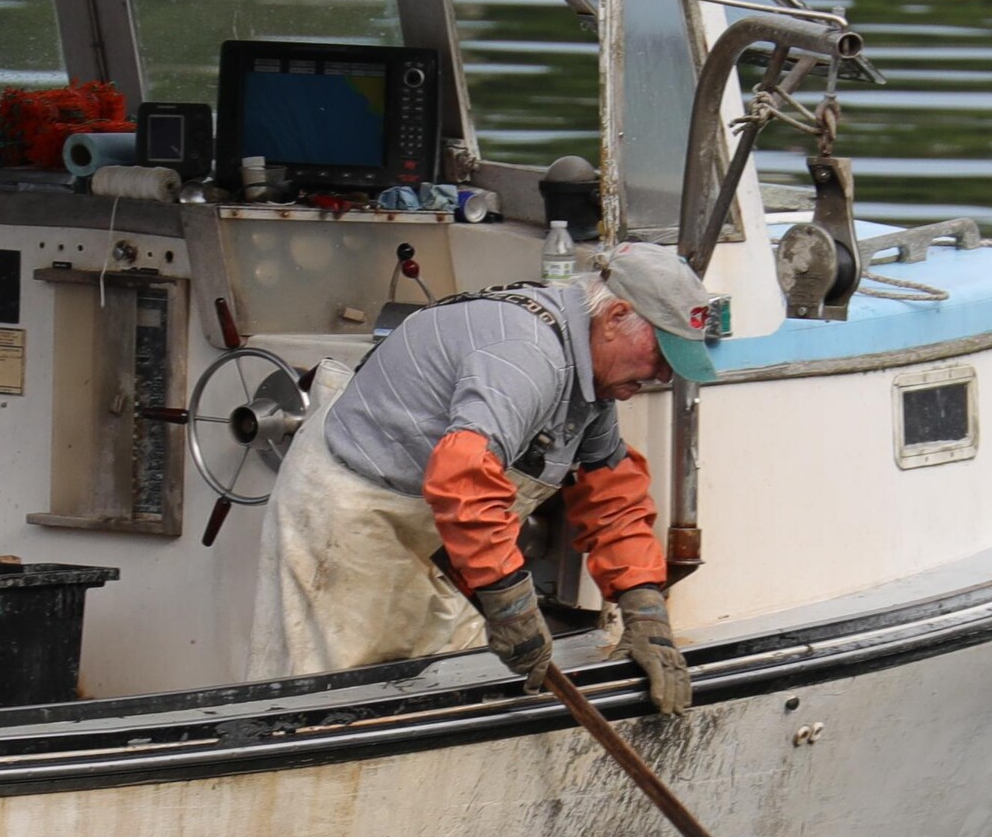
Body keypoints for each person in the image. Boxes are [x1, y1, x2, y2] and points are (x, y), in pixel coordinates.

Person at [260, 243, 717, 714]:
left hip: (435, 526)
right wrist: (510, 602)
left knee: (451, 691)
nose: (664, 372)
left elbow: (610, 491)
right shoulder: (526, 357)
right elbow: (463, 477)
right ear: (617, 315)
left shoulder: (593, 382)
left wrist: (646, 611)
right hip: (353, 511)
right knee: (338, 701)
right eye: (662, 351)